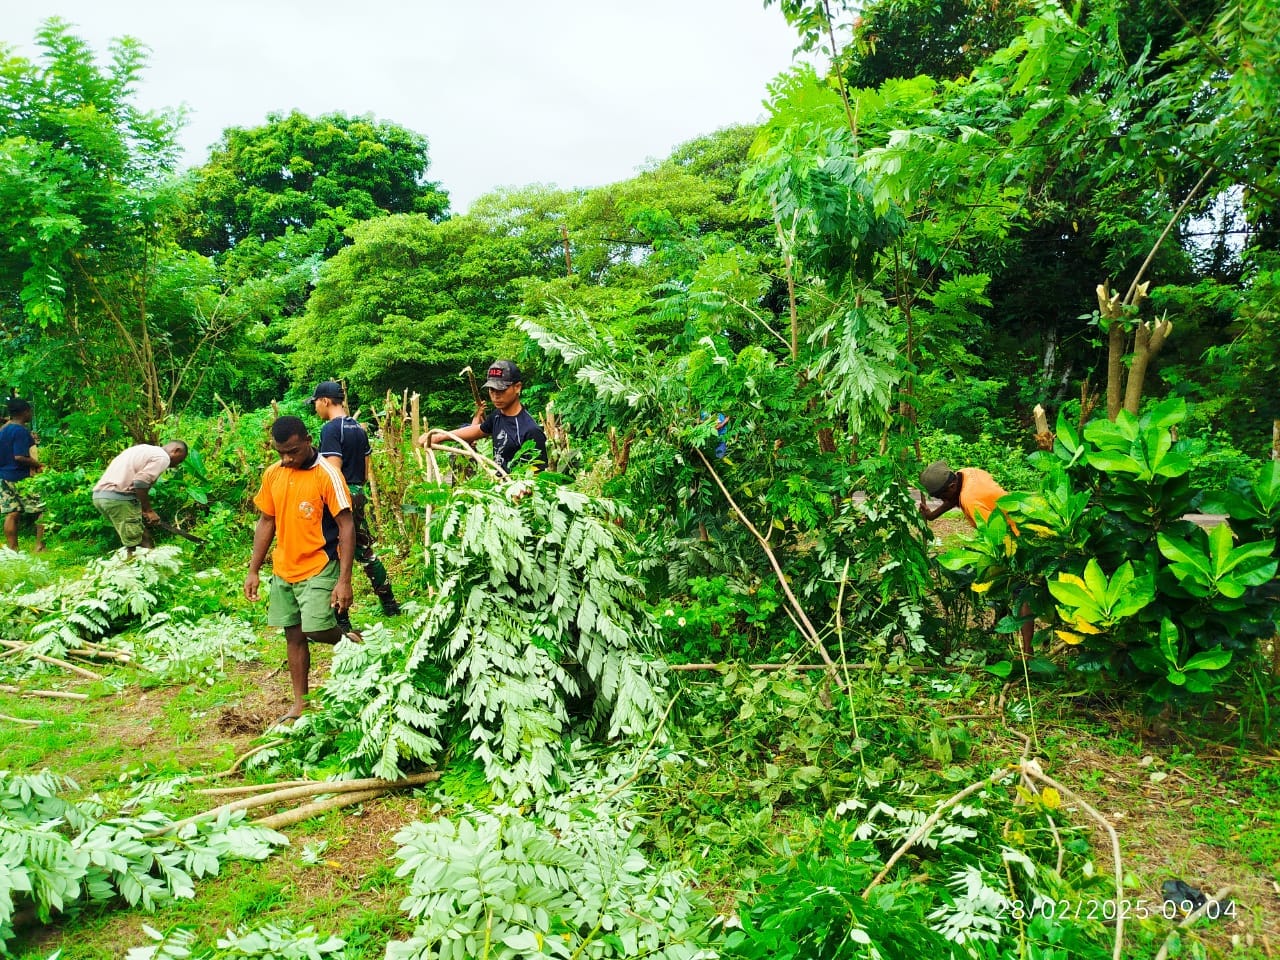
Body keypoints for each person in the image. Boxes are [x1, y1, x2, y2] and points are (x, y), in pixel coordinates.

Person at [244, 416, 356, 722]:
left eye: (292, 451)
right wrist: (253, 570)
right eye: (281, 452)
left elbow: (347, 527)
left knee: (317, 628)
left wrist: (345, 580)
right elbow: (267, 520)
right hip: (284, 568)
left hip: (320, 563)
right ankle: (300, 703)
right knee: (293, 636)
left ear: (307, 439)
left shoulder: (327, 475)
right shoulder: (273, 474)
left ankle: (353, 646)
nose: (287, 458)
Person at [307, 380, 401, 629]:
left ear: (325, 401)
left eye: (316, 402)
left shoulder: (330, 429)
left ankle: (341, 618)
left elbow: (332, 470)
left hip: (341, 495)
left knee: (337, 553)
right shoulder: (358, 428)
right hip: (358, 491)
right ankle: (389, 604)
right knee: (364, 550)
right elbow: (366, 465)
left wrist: (328, 501)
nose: (316, 407)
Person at [918, 459, 1034, 655]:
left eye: (939, 496)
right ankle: (1002, 630)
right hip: (1015, 520)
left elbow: (996, 536)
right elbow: (954, 498)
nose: (939, 500)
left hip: (1017, 538)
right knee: (1007, 586)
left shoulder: (971, 500)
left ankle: (1028, 652)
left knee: (1021, 592)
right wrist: (933, 515)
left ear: (952, 486)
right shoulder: (967, 473)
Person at [421, 360, 547, 475]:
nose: (495, 396)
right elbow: (478, 430)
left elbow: (537, 477)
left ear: (517, 387)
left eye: (501, 390)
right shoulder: (497, 416)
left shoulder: (531, 431)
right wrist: (439, 437)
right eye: (492, 390)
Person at [92, 439, 189, 555]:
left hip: (100, 496)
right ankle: (131, 570)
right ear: (176, 450)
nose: (177, 464)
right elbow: (140, 482)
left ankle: (149, 568)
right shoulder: (163, 457)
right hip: (120, 497)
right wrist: (149, 510)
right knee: (137, 546)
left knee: (141, 536)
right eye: (181, 459)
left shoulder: (142, 449)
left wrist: (143, 509)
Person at [0, 398, 45, 552]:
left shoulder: (3, 430)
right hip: (21, 478)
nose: (31, 414)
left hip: (4, 477)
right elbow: (19, 456)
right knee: (42, 510)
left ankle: (13, 549)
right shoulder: (20, 430)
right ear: (24, 412)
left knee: (12, 512)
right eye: (29, 411)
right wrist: (38, 464)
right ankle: (39, 546)